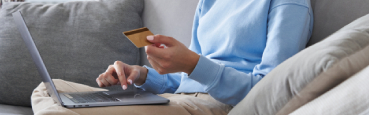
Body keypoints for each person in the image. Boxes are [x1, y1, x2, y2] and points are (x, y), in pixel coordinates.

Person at [32, 0, 313, 114]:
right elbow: (183, 80)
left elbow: (272, 91)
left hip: (220, 105)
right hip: (180, 98)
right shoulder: (210, 2)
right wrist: (141, 74)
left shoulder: (289, 3)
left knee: (62, 111)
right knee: (50, 90)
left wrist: (193, 64)